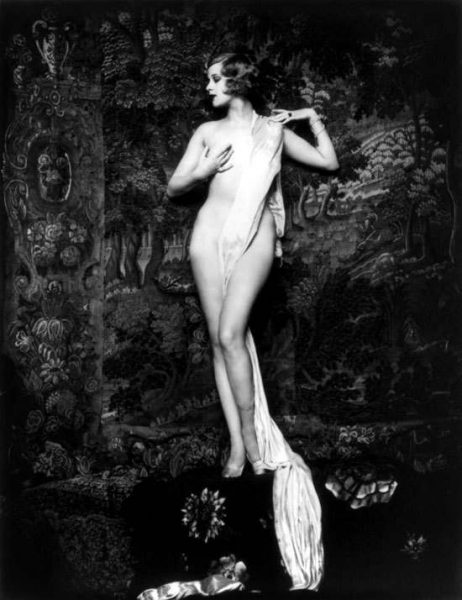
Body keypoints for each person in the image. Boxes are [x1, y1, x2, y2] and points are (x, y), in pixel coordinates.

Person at [167, 52, 338, 590]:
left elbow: (328, 162)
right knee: (222, 343)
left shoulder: (271, 130)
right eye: (208, 78)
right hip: (207, 235)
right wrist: (202, 169)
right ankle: (240, 449)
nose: (208, 86)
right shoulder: (206, 131)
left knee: (229, 333)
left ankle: (257, 446)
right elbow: (174, 187)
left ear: (238, 81)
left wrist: (310, 117)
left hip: (256, 234)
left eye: (216, 78)